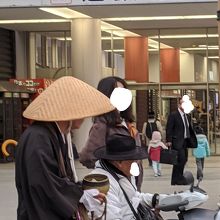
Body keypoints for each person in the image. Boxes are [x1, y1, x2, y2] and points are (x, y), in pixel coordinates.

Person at [15, 76, 115, 220]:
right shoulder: (38, 137)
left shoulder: (55, 134)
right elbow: (44, 184)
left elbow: (58, 180)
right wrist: (79, 195)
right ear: (69, 110)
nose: (86, 116)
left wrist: (81, 189)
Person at [79, 76, 143, 191]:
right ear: (106, 95)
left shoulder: (127, 123)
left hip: (133, 185)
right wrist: (111, 167)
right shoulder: (102, 125)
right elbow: (87, 157)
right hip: (116, 188)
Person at [89, 133, 164, 220]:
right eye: (133, 160)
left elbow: (133, 196)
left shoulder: (122, 172)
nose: (136, 163)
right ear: (119, 162)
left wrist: (157, 199)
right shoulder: (99, 183)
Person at [166, 98, 197, 185]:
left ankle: (176, 179)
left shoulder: (186, 115)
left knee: (183, 160)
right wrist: (168, 140)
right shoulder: (174, 115)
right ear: (179, 105)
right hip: (177, 141)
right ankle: (178, 179)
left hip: (185, 141)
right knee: (181, 159)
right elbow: (169, 128)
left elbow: (188, 128)